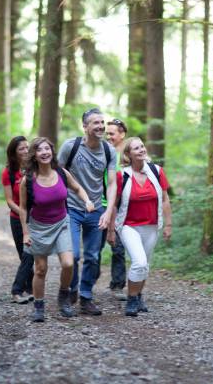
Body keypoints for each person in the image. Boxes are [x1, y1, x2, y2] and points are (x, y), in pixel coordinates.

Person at [19, 137, 94, 322]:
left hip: (62, 223)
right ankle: (38, 306)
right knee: (40, 269)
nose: (44, 152)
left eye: (47, 149)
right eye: (39, 150)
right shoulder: (27, 180)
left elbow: (77, 188)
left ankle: (63, 297)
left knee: (69, 263)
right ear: (34, 156)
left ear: (52, 152)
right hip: (38, 227)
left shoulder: (61, 172)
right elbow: (22, 208)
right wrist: (26, 232)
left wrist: (87, 200)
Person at [58, 108, 117, 316]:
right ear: (85, 126)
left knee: (93, 256)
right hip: (71, 208)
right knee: (73, 255)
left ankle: (85, 297)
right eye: (95, 123)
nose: (101, 126)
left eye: (102, 122)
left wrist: (108, 212)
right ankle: (70, 290)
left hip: (96, 210)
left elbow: (111, 184)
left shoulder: (109, 151)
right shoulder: (70, 146)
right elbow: (57, 172)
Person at [108, 137, 172, 317]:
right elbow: (114, 204)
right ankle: (131, 299)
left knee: (145, 265)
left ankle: (138, 295)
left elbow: (166, 199)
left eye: (142, 146)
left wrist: (168, 224)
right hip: (129, 226)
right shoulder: (123, 175)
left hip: (151, 226)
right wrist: (111, 230)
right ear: (128, 154)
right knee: (139, 262)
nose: (141, 150)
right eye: (136, 148)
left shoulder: (157, 171)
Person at [1, 136, 34, 304]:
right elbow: (9, 200)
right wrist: (23, 213)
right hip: (17, 218)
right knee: (25, 255)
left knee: (30, 254)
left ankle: (27, 289)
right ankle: (19, 290)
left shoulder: (34, 168)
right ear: (14, 152)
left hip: (35, 218)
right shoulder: (8, 172)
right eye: (21, 148)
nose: (26, 151)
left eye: (28, 147)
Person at [102, 119, 128, 299]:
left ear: (122, 134)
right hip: (101, 203)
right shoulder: (101, 151)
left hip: (122, 205)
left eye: (112, 133)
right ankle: (86, 283)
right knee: (94, 247)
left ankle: (118, 284)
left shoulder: (128, 154)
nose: (109, 136)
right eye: (107, 133)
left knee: (118, 246)